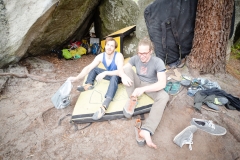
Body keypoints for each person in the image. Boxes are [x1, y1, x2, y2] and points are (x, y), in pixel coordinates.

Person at [119, 38, 169, 149]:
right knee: (126, 71)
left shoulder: (158, 62)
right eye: (140, 53)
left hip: (150, 85)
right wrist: (123, 76)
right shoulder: (135, 58)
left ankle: (147, 130)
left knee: (164, 96)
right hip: (138, 82)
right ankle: (132, 100)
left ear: (151, 51)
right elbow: (124, 68)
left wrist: (143, 89)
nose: (142, 56)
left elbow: (162, 84)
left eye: (145, 53)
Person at [67, 37, 124, 120]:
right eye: (108, 45)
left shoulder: (118, 56)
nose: (109, 47)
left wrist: (105, 73)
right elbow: (88, 67)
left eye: (112, 46)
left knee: (114, 76)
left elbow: (120, 72)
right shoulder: (101, 56)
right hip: (109, 74)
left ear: (115, 48)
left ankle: (105, 105)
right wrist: (77, 78)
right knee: (94, 68)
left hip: (119, 77)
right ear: (105, 46)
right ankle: (89, 84)